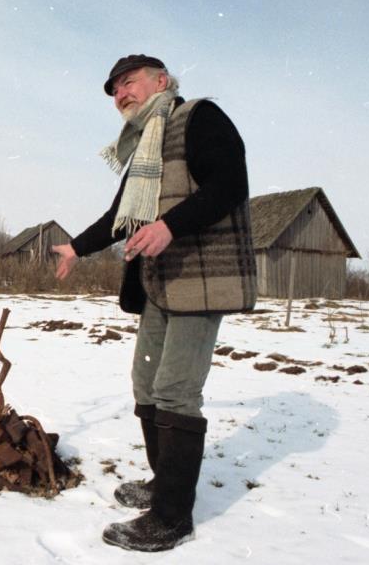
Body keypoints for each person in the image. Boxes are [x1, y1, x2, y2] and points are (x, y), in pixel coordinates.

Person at [52, 54, 257, 552]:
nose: (121, 94)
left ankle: (171, 517)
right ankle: (163, 482)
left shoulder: (198, 117)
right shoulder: (147, 141)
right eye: (115, 90)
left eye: (129, 82)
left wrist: (169, 226)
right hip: (158, 282)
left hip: (200, 278)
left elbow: (230, 184)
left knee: (175, 390)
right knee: (146, 383)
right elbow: (120, 216)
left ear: (161, 81)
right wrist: (76, 248)